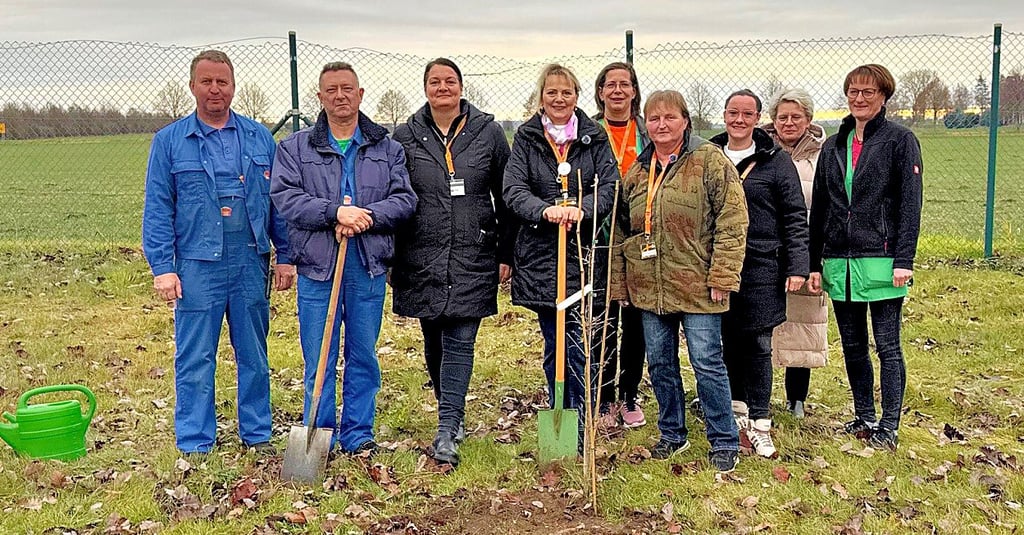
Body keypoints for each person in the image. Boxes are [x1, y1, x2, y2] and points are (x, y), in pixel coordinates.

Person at [142, 50, 295, 455]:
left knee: (255, 354)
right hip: (196, 265)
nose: (215, 89)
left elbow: (278, 203)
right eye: (206, 81)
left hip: (250, 260)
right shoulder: (170, 142)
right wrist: (163, 267)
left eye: (222, 82)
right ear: (192, 86)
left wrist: (286, 255)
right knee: (195, 359)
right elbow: (158, 208)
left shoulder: (259, 138)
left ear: (233, 86)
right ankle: (195, 441)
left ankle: (258, 433)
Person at [271, 62, 416, 455]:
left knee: (363, 354)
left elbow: (404, 200)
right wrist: (334, 213)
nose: (340, 95)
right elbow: (285, 198)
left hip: (366, 265)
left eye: (347, 88)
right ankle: (318, 433)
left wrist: (365, 218)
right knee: (319, 355)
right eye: (331, 89)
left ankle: (358, 433)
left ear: (360, 94)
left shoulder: (387, 148)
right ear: (319, 97)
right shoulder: (294, 148)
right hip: (319, 267)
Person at [610, 90, 748, 472]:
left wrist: (723, 274)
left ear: (685, 121)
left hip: (700, 283)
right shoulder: (637, 171)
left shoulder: (709, 161)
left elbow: (733, 220)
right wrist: (621, 285)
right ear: (646, 125)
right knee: (661, 364)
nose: (661, 125)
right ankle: (672, 433)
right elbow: (622, 232)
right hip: (650, 287)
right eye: (654, 119)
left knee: (706, 361)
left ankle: (723, 438)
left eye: (669, 117)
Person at [391, 58, 513, 467]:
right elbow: (395, 195)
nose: (443, 87)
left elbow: (506, 195)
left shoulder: (489, 133)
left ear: (461, 86)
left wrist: (505, 252)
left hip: (473, 251)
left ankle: (447, 428)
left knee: (461, 338)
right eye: (434, 81)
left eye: (450, 81)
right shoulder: (405, 136)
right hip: (421, 251)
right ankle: (451, 408)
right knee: (433, 338)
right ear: (425, 88)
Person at [808, 64, 922, 452]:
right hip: (840, 261)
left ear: (883, 97)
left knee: (887, 346)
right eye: (853, 91)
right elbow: (820, 207)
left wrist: (904, 258)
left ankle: (889, 425)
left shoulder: (900, 141)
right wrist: (813, 262)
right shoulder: (833, 145)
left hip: (883, 261)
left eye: (868, 92)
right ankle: (864, 415)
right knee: (853, 346)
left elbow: (910, 204)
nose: (859, 98)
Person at [503, 63, 618, 447]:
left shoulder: (593, 137)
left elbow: (610, 185)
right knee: (554, 343)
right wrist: (544, 210)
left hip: (583, 255)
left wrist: (582, 209)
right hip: (540, 257)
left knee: (579, 344)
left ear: (577, 96)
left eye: (566, 92)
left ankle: (583, 422)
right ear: (541, 97)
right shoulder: (527, 138)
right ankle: (560, 419)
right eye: (551, 92)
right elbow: (513, 189)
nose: (559, 99)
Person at [710, 89, 808, 459]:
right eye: (733, 112)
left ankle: (761, 421)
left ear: (757, 118)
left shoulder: (775, 161)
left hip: (762, 264)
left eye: (747, 113)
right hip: (719, 264)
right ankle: (736, 414)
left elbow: (795, 215)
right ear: (724, 115)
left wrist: (798, 265)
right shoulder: (710, 156)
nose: (739, 119)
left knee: (758, 343)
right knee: (728, 341)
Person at [764, 88, 829, 419]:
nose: (788, 123)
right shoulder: (760, 152)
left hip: (803, 248)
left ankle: (796, 398)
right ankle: (750, 394)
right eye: (782, 117)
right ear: (773, 120)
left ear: (809, 120)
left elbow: (826, 208)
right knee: (757, 325)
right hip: (763, 250)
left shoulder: (822, 156)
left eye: (796, 117)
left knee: (802, 323)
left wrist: (814, 258)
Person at [591, 62, 649, 429]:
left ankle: (629, 392)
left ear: (633, 91)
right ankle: (603, 396)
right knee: (605, 318)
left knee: (637, 320)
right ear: (600, 93)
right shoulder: (589, 131)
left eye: (623, 85)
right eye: (609, 85)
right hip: (600, 235)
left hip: (641, 235)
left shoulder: (646, 129)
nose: (616, 91)